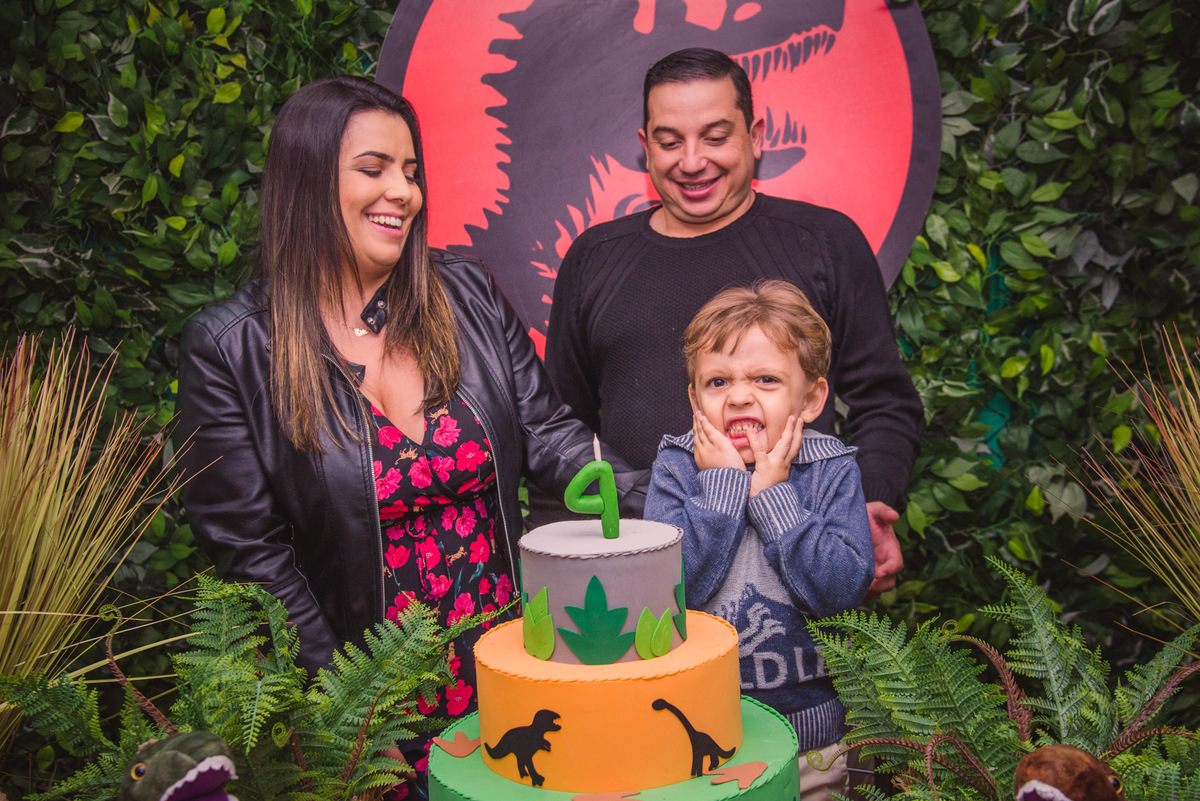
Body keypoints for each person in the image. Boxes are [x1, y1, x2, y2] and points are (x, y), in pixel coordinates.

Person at [174, 75, 642, 788]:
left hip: (511, 678)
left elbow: (548, 435)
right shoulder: (231, 348)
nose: (403, 191)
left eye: (411, 171)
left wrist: (684, 489)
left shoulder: (466, 295)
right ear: (306, 181)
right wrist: (350, 718)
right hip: (371, 711)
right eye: (374, 169)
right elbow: (256, 562)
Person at [543, 47, 922, 595]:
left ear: (756, 135)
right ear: (645, 146)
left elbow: (885, 401)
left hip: (799, 573)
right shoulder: (594, 260)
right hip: (642, 575)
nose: (692, 161)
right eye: (670, 142)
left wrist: (865, 506)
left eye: (716, 137)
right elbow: (563, 428)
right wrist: (558, 562)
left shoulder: (824, 243)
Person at [644, 280, 873, 800]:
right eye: (717, 382)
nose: (739, 396)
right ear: (694, 398)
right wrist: (722, 488)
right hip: (702, 735)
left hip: (813, 739)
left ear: (811, 398)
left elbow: (842, 592)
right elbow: (668, 594)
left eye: (766, 379)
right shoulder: (677, 468)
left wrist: (774, 498)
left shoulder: (831, 470)